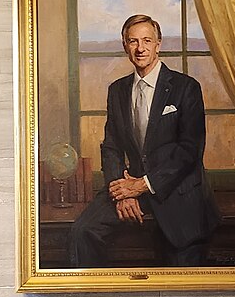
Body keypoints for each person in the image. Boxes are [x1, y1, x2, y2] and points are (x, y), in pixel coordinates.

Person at [69, 13, 220, 267]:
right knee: (80, 234)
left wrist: (143, 185)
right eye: (133, 41)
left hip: (176, 191)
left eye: (147, 41)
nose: (140, 48)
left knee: (179, 266)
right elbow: (112, 146)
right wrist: (122, 192)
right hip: (129, 186)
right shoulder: (117, 90)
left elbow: (189, 152)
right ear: (124, 46)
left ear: (158, 44)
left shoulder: (186, 88)